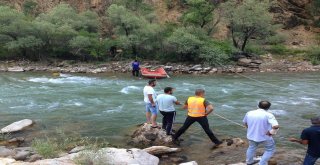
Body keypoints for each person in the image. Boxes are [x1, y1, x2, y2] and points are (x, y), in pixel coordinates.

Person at [243, 101, 279, 165]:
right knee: (270, 150)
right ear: (268, 108)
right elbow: (276, 126)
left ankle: (249, 162)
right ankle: (261, 163)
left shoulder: (249, 113)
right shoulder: (269, 115)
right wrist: (271, 132)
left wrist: (250, 128)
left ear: (258, 105)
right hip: (265, 137)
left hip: (251, 135)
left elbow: (245, 123)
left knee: (251, 147)